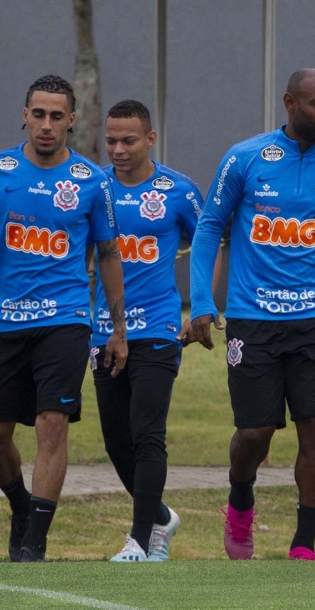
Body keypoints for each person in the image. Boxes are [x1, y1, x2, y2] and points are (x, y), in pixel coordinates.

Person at [188, 68, 315, 561]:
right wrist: (204, 302)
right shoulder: (246, 157)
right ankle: (241, 499)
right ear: (290, 103)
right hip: (253, 318)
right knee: (255, 432)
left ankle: (303, 543)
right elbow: (209, 229)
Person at [0, 75, 127, 562]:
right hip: (4, 321)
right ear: (24, 115)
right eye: (39, 114)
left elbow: (109, 254)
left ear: (72, 120)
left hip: (66, 319)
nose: (47, 125)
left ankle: (34, 543)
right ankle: (21, 506)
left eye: (57, 116)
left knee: (52, 423)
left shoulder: (92, 181)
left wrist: (117, 327)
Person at [91, 100, 205, 562]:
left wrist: (202, 306)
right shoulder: (92, 187)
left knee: (146, 432)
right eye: (111, 140)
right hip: (103, 330)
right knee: (116, 441)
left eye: (129, 141)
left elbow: (212, 240)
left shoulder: (177, 190)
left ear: (151, 139)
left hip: (159, 327)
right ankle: (158, 515)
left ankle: (141, 541)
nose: (118, 149)